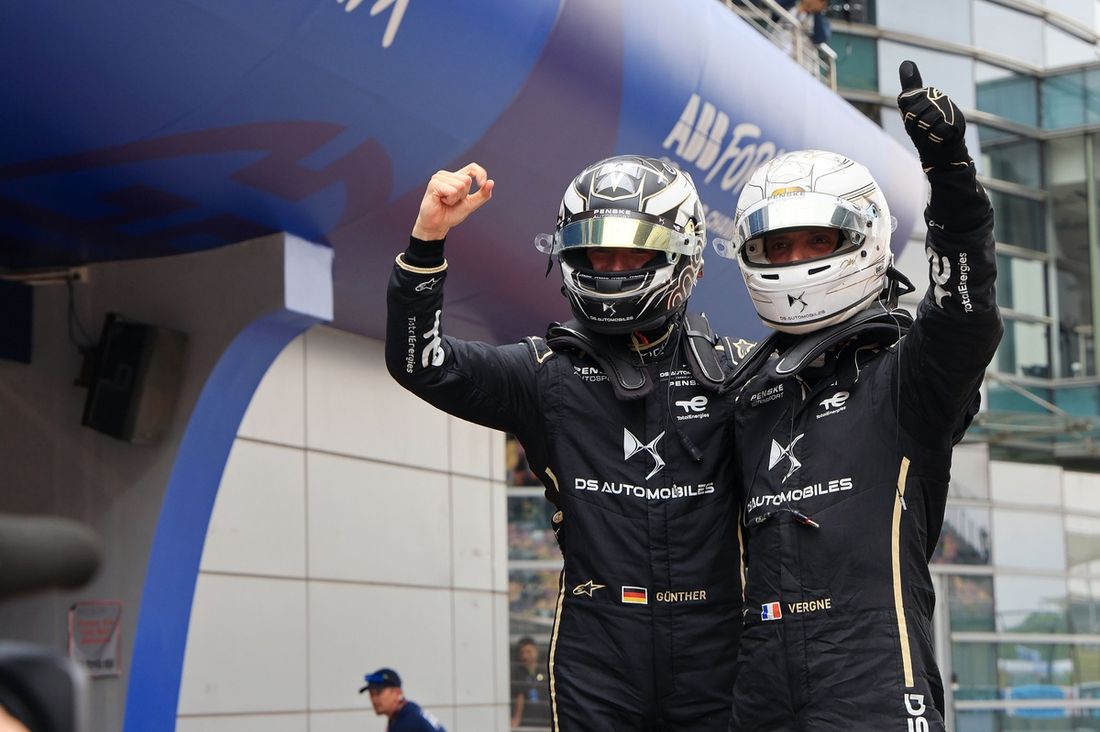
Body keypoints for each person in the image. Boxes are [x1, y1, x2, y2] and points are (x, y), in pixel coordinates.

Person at [386, 155, 751, 730]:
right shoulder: (545, 372)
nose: (609, 268)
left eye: (632, 252)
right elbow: (419, 364)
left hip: (720, 645)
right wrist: (429, 237)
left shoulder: (738, 373)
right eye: (594, 252)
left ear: (685, 255)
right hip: (598, 647)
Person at [713, 61, 1001, 731]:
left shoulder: (907, 374)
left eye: (818, 239)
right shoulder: (743, 388)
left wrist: (952, 180)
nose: (798, 258)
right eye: (778, 244)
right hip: (760, 676)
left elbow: (967, 316)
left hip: (874, 670)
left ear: (864, 238)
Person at [358, 667, 445, 732]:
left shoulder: (407, 722)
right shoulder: (409, 710)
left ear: (397, 692)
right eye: (371, 694)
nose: (374, 699)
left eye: (378, 693)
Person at [510, 637, 551, 728]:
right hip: (527, 721)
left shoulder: (545, 671)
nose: (525, 656)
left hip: (546, 720)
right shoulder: (517, 673)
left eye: (528, 652)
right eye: (522, 653)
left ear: (536, 651)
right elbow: (519, 696)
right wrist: (517, 718)